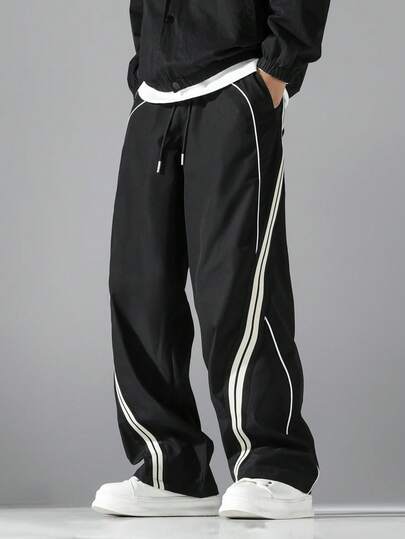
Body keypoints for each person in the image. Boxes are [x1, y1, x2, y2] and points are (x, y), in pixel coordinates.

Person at [92, 0, 330, 519]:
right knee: (139, 286)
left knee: (236, 282)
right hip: (157, 91)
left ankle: (274, 466)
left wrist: (279, 69)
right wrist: (145, 68)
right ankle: (171, 469)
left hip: (237, 79)